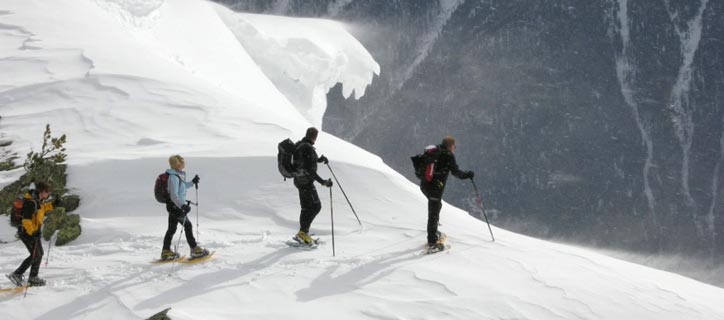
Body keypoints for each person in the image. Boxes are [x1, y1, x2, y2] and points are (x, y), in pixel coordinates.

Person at [420, 136, 474, 251]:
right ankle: (432, 242)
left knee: (436, 207)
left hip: (425, 185)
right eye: (454, 146)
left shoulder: (435, 151)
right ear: (450, 146)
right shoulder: (448, 155)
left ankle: (434, 233)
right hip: (435, 188)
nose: (455, 148)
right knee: (433, 213)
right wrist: (468, 175)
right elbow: (456, 172)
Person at [160, 155, 208, 260]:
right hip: (176, 207)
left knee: (171, 229)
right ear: (177, 164)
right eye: (182, 162)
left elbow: (183, 186)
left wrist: (192, 182)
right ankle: (194, 249)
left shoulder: (177, 175)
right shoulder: (173, 177)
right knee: (188, 225)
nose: (184, 164)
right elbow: (174, 195)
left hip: (174, 206)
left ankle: (166, 251)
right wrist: (182, 205)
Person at [7, 181, 53, 287]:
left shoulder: (38, 201)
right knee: (35, 254)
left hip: (33, 232)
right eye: (47, 192)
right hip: (27, 232)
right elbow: (26, 221)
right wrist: (33, 232)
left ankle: (33, 277)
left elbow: (43, 208)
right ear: (41, 191)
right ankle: (17, 274)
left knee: (38, 254)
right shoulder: (31, 202)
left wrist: (53, 204)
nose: (48, 194)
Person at [292, 127, 333, 245]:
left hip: (299, 181)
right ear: (314, 137)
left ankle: (302, 234)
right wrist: (323, 182)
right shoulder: (308, 148)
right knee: (316, 206)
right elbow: (310, 170)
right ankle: (303, 233)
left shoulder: (300, 145)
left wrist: (319, 159)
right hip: (306, 182)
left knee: (306, 207)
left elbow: (304, 162)